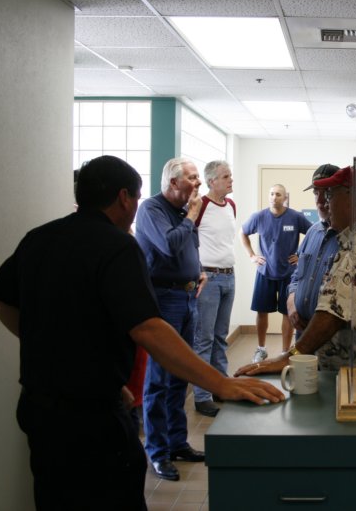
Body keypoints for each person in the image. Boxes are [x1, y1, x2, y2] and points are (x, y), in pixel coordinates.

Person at [0, 156, 283, 510]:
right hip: (92, 417)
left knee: (55, 496)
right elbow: (149, 328)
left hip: (39, 409)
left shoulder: (40, 237)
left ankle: (176, 443)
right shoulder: (116, 244)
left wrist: (47, 344)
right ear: (124, 197)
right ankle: (162, 449)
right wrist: (221, 384)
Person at [234, 166, 356, 375]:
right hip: (348, 368)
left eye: (331, 195)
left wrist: (289, 356)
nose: (326, 204)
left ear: (352, 199)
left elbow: (335, 312)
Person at [134, 157, 208, 481]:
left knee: (181, 374)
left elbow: (188, 249)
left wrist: (198, 271)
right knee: (159, 380)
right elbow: (168, 245)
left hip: (188, 297)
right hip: (164, 300)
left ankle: (178, 442)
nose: (198, 184)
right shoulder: (151, 210)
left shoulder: (180, 213)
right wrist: (192, 216)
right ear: (174, 182)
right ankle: (158, 452)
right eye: (193, 178)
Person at [242, 184, 313, 361]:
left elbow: (313, 234)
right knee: (261, 312)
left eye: (278, 194)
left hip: (288, 273)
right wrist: (252, 256)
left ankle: (284, 352)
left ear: (285, 198)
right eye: (272, 194)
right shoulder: (259, 217)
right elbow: (242, 233)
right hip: (265, 272)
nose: (274, 197)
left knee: (287, 313)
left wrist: (301, 256)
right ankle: (261, 349)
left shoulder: (295, 217)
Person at [192, 160, 237, 418]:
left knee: (221, 336)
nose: (231, 180)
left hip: (229, 277)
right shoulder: (202, 205)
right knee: (204, 338)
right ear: (212, 181)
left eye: (230, 175)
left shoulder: (230, 205)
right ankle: (201, 395)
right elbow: (189, 237)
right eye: (226, 176)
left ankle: (221, 386)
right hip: (208, 279)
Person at [286, 164, 341, 341]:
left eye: (327, 192)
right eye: (316, 192)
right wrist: (291, 302)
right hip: (302, 332)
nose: (320, 200)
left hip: (331, 339)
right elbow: (297, 275)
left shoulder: (352, 238)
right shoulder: (312, 232)